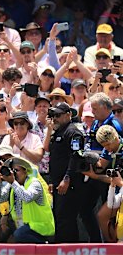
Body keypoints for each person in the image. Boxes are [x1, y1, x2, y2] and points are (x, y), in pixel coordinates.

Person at [46, 102, 88, 242]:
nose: (55, 118)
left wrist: (67, 178)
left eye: (58, 115)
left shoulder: (73, 132)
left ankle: (68, 249)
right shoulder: (58, 131)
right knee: (59, 216)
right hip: (58, 182)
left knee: (66, 218)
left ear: (68, 115)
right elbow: (54, 158)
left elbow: (75, 156)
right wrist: (52, 181)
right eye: (53, 115)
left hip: (69, 183)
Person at [0, 157, 55, 243]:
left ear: (25, 171)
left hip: (40, 228)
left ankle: (46, 247)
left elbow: (27, 197)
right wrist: (0, 182)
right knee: (4, 236)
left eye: (17, 170)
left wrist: (13, 182)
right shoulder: (13, 187)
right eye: (12, 171)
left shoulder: (34, 183)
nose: (14, 174)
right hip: (23, 227)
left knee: (19, 234)